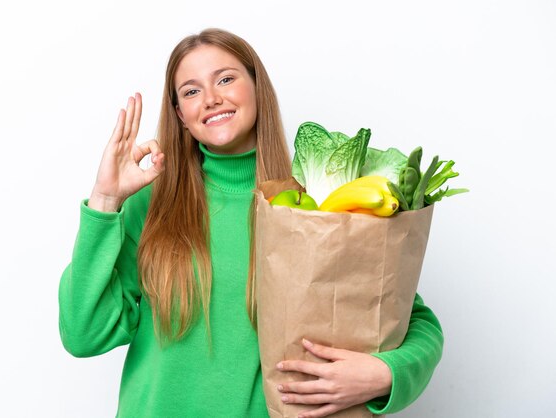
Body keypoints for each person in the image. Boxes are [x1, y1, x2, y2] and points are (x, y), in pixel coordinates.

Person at [58, 28, 443, 418]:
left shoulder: (316, 204)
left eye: (225, 79)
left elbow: (407, 315)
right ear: (181, 115)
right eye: (191, 91)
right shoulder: (153, 203)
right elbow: (83, 333)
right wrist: (105, 201)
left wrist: (385, 374)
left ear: (258, 87)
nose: (211, 99)